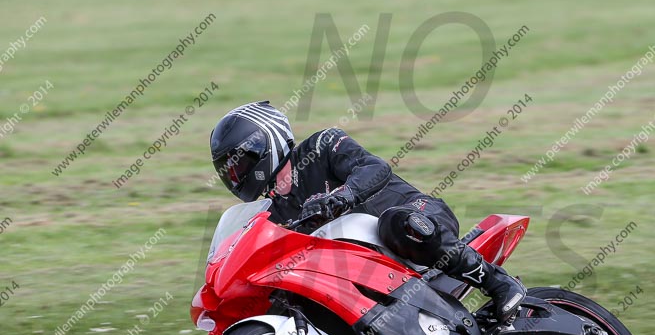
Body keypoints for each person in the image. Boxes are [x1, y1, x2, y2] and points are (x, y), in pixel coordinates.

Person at [209, 100, 525, 321]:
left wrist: (343, 196)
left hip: (416, 217)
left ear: (264, 145)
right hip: (367, 267)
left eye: (239, 164)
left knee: (396, 222)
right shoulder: (274, 212)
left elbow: (375, 168)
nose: (235, 175)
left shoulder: (321, 145)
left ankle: (498, 283)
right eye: (228, 170)